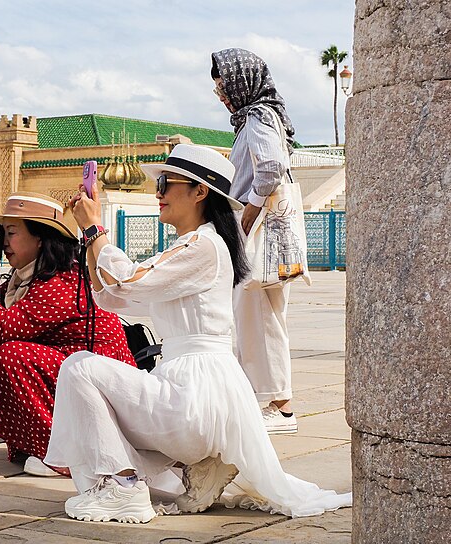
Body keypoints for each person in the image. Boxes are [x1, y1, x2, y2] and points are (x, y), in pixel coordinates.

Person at [44, 144, 351, 523]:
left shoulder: (203, 246)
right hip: (198, 397)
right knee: (92, 378)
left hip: (193, 399)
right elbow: (115, 296)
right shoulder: (195, 247)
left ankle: (123, 486)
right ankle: (200, 464)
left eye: (165, 184)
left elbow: (128, 280)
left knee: (79, 368)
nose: (158, 194)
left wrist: (95, 229)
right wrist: (93, 241)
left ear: (199, 191)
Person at [0, 192, 135, 477]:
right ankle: (50, 444)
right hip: (75, 371)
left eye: (11, 233)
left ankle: (66, 456)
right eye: (2, 233)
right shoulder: (29, 276)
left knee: (12, 355)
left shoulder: (61, 281)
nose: (3, 242)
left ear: (40, 237)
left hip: (102, 382)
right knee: (10, 351)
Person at [211, 48, 298, 434]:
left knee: (259, 318)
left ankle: (279, 408)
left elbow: (271, 167)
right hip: (260, 231)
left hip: (257, 231)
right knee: (258, 318)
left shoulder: (259, 117)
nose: (221, 94)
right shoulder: (256, 118)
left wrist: (250, 209)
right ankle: (268, 401)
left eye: (224, 86)